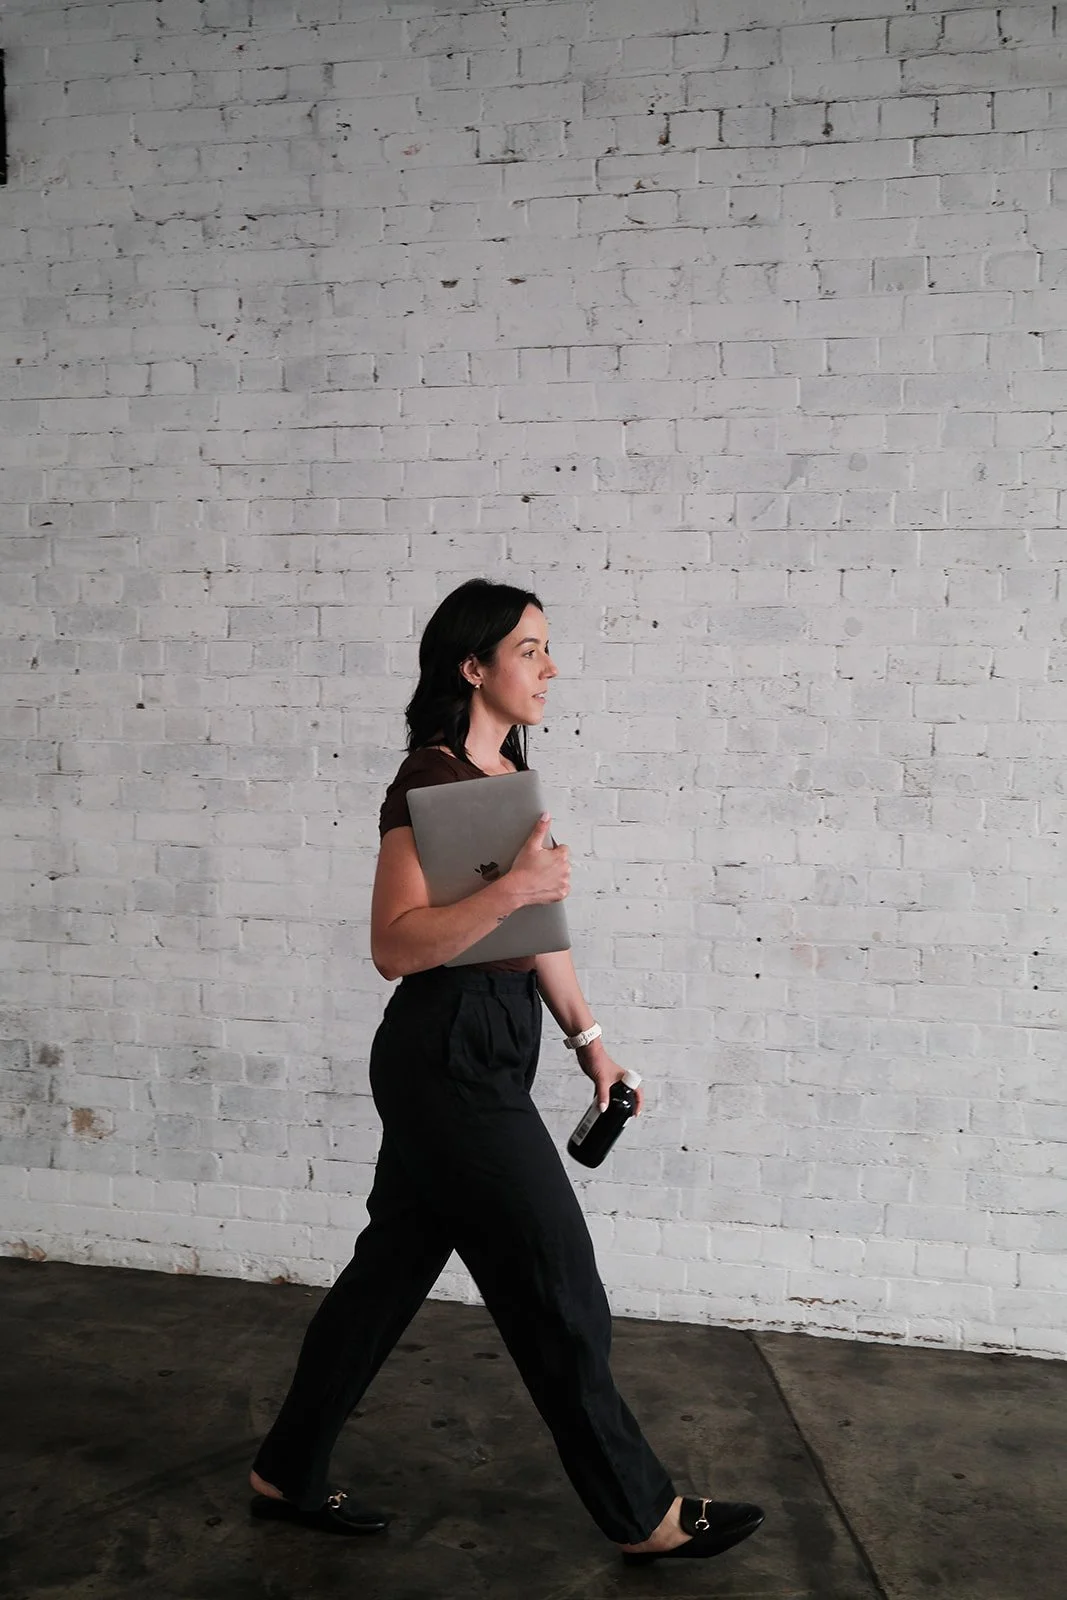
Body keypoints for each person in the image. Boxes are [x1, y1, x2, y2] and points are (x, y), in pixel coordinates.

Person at [248, 578, 764, 1565]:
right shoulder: (429, 779)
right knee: (558, 1281)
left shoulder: (501, 776)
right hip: (443, 1051)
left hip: (491, 1041)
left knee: (385, 1278)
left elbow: (536, 933)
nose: (549, 668)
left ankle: (286, 1469)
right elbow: (394, 946)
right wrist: (514, 887)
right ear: (471, 666)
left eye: (545, 648)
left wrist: (590, 1043)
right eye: (529, 649)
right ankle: (642, 1513)